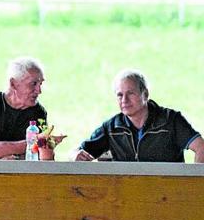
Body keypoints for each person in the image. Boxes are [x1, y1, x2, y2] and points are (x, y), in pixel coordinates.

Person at [75, 69, 203, 163]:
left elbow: (201, 148)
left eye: (130, 93)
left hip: (168, 194)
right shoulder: (111, 127)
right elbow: (79, 152)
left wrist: (195, 187)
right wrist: (75, 155)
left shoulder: (171, 120)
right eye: (120, 95)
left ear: (145, 94)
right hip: (125, 196)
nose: (124, 100)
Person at [0, 57, 51, 160]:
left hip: (16, 174)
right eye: (33, 84)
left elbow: (39, 155)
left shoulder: (38, 112)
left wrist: (43, 144)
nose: (39, 91)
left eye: (40, 84)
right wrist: (32, 143)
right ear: (13, 83)